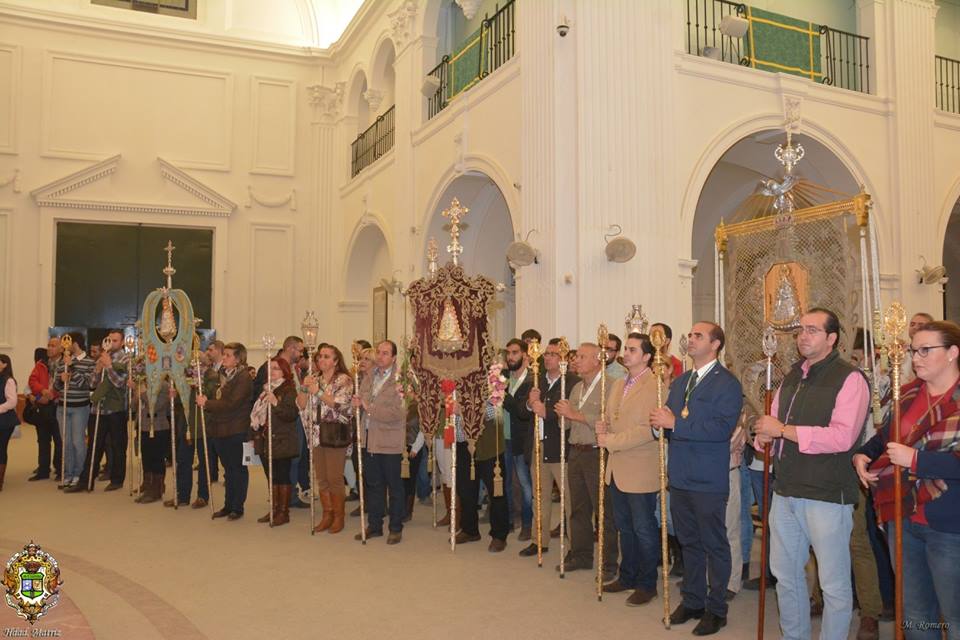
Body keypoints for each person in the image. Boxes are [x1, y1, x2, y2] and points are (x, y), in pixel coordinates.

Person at [754, 308, 869, 640]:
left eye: (812, 330)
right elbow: (774, 424)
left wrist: (782, 431)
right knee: (786, 576)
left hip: (827, 494)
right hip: (786, 490)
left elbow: (842, 437)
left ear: (832, 338)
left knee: (833, 583)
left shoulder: (850, 378)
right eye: (801, 330)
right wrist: (763, 436)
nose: (803, 336)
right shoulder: (792, 376)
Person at [854, 320, 960, 640]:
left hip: (949, 524)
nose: (915, 358)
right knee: (914, 613)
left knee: (954, 615)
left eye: (925, 350)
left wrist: (916, 460)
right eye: (914, 350)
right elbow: (886, 436)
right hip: (903, 514)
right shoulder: (910, 393)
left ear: (953, 352)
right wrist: (863, 454)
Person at [652, 321, 743, 636]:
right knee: (688, 542)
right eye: (690, 335)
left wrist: (675, 424)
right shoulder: (681, 382)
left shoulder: (727, 384)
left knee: (714, 545)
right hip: (680, 476)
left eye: (698, 336)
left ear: (715, 344)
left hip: (707, 479)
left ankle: (716, 609)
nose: (690, 339)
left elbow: (720, 429)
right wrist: (658, 424)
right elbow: (666, 420)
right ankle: (692, 600)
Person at [595, 333, 661, 606]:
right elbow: (613, 418)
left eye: (633, 350)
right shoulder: (618, 383)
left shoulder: (655, 385)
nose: (626, 353)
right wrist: (604, 426)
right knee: (625, 527)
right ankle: (628, 576)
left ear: (647, 356)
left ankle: (647, 584)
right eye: (626, 348)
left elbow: (649, 429)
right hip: (617, 468)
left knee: (644, 528)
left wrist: (611, 441)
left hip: (640, 468)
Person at [554, 342, 618, 579]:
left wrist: (574, 414)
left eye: (582, 357)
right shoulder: (576, 388)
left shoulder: (611, 386)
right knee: (578, 508)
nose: (576, 360)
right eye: (576, 357)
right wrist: (563, 416)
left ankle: (609, 564)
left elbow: (608, 420)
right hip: (576, 451)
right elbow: (567, 424)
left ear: (596, 360)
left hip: (597, 452)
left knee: (604, 510)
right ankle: (581, 555)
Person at [521, 338, 578, 558]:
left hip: (561, 447)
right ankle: (539, 540)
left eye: (553, 354)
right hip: (539, 445)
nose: (547, 358)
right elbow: (523, 410)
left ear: (563, 358)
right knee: (540, 496)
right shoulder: (537, 379)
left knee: (570, 499)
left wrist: (545, 410)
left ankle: (575, 546)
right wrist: (530, 403)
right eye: (546, 353)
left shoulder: (572, 382)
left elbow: (569, 411)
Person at [353, 340, 406, 544]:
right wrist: (357, 403)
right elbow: (362, 397)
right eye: (379, 352)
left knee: (394, 487)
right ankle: (374, 526)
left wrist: (368, 407)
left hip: (389, 439)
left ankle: (395, 528)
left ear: (394, 357)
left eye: (385, 353)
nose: (380, 356)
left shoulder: (401, 379)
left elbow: (398, 412)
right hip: (369, 438)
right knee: (373, 484)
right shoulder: (370, 376)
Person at [300, 345, 353, 534]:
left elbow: (340, 404)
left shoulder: (344, 380)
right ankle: (327, 515)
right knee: (321, 478)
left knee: (334, 477)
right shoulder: (314, 378)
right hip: (315, 434)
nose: (321, 359)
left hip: (334, 433)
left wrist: (318, 392)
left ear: (336, 361)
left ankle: (339, 516)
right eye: (320, 356)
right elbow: (301, 404)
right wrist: (304, 387)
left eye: (326, 356)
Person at [198, 342, 253, 521]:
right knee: (228, 470)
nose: (224, 358)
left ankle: (237, 507)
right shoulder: (222, 375)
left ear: (238, 359)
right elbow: (217, 396)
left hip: (236, 429)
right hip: (220, 428)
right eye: (225, 354)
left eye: (228, 355)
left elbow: (232, 403)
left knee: (238, 469)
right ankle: (228, 505)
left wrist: (207, 403)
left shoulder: (243, 377)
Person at [71, 329, 129, 492]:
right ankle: (86, 480)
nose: (112, 343)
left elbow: (119, 383)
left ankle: (117, 479)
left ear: (122, 342)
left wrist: (109, 366)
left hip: (116, 410)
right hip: (97, 410)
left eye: (115, 340)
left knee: (118, 446)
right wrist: (97, 369)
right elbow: (92, 384)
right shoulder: (101, 357)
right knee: (94, 446)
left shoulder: (125, 359)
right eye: (109, 340)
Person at [455, 390, 510, 552]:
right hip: (465, 445)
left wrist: (464, 410)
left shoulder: (492, 382)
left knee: (496, 492)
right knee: (465, 490)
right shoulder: (458, 382)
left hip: (489, 445)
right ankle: (469, 530)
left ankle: (499, 535)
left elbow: (494, 412)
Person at [250, 356, 300, 526]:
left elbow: (291, 415)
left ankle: (283, 512)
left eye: (276, 368)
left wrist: (275, 403)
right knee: (271, 476)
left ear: (284, 371)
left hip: (282, 439)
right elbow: (257, 415)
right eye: (270, 368)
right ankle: (274, 508)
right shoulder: (265, 389)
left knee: (282, 475)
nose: (272, 371)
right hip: (266, 439)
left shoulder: (288, 390)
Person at [52, 333, 95, 490]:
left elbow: (86, 384)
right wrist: (61, 379)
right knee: (66, 443)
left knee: (78, 442)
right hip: (62, 407)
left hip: (80, 407)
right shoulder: (62, 361)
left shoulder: (89, 362)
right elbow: (56, 387)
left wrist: (71, 367)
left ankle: (79, 474)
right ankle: (68, 474)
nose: (64, 346)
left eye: (67, 342)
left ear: (74, 344)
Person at [503, 338, 534, 540]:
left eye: (514, 352)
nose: (510, 357)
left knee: (525, 485)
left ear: (524, 355)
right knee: (505, 482)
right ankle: (508, 520)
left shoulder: (532, 379)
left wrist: (502, 394)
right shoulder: (503, 377)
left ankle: (527, 524)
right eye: (508, 353)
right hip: (503, 438)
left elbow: (522, 411)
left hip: (522, 440)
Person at [27, 342, 62, 482]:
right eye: (49, 345)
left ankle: (60, 469)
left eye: (53, 346)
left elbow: (66, 383)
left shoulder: (66, 363)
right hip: (43, 406)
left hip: (58, 406)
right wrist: (42, 391)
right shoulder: (41, 364)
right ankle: (43, 470)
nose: (50, 348)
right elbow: (32, 381)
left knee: (59, 440)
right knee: (42, 439)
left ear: (61, 348)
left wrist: (52, 394)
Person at [0, 354, 20, 491]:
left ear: (5, 364)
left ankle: (0, 480)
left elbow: (12, 402)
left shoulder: (9, 381)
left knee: (1, 449)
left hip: (5, 420)